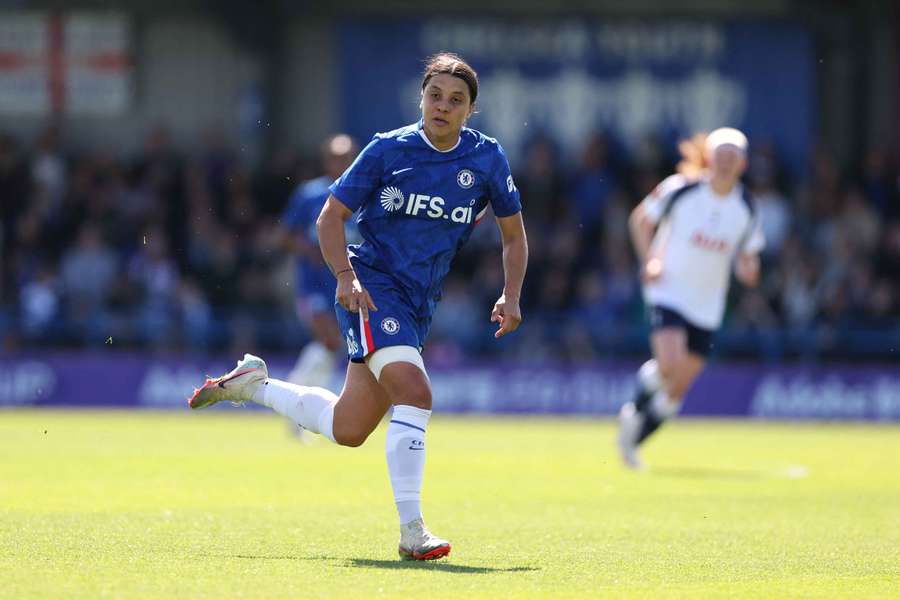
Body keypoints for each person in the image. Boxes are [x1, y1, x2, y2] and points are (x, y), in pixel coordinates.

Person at [188, 53, 528, 560]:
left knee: (349, 429)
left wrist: (512, 293)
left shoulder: (487, 159)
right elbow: (331, 216)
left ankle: (254, 385)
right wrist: (345, 277)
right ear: (422, 97)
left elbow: (513, 236)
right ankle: (413, 531)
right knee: (415, 392)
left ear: (470, 110)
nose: (443, 106)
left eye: (456, 100)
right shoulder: (388, 150)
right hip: (370, 287)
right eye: (435, 95)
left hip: (418, 303)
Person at [617, 127, 764, 470]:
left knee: (678, 388)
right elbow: (640, 220)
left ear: (742, 164)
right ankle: (633, 416)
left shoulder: (746, 208)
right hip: (667, 290)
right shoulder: (680, 190)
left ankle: (632, 439)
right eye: (721, 156)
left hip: (707, 306)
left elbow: (750, 259)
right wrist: (649, 260)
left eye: (734, 158)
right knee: (669, 364)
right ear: (710, 159)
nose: (726, 164)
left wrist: (749, 270)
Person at [280, 134, 359, 389]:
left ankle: (304, 397)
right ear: (326, 161)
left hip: (352, 282)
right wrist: (311, 249)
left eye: (347, 158)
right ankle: (298, 393)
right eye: (336, 158)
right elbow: (284, 236)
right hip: (313, 282)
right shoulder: (310, 194)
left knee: (339, 344)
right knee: (329, 340)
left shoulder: (364, 194)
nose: (341, 164)